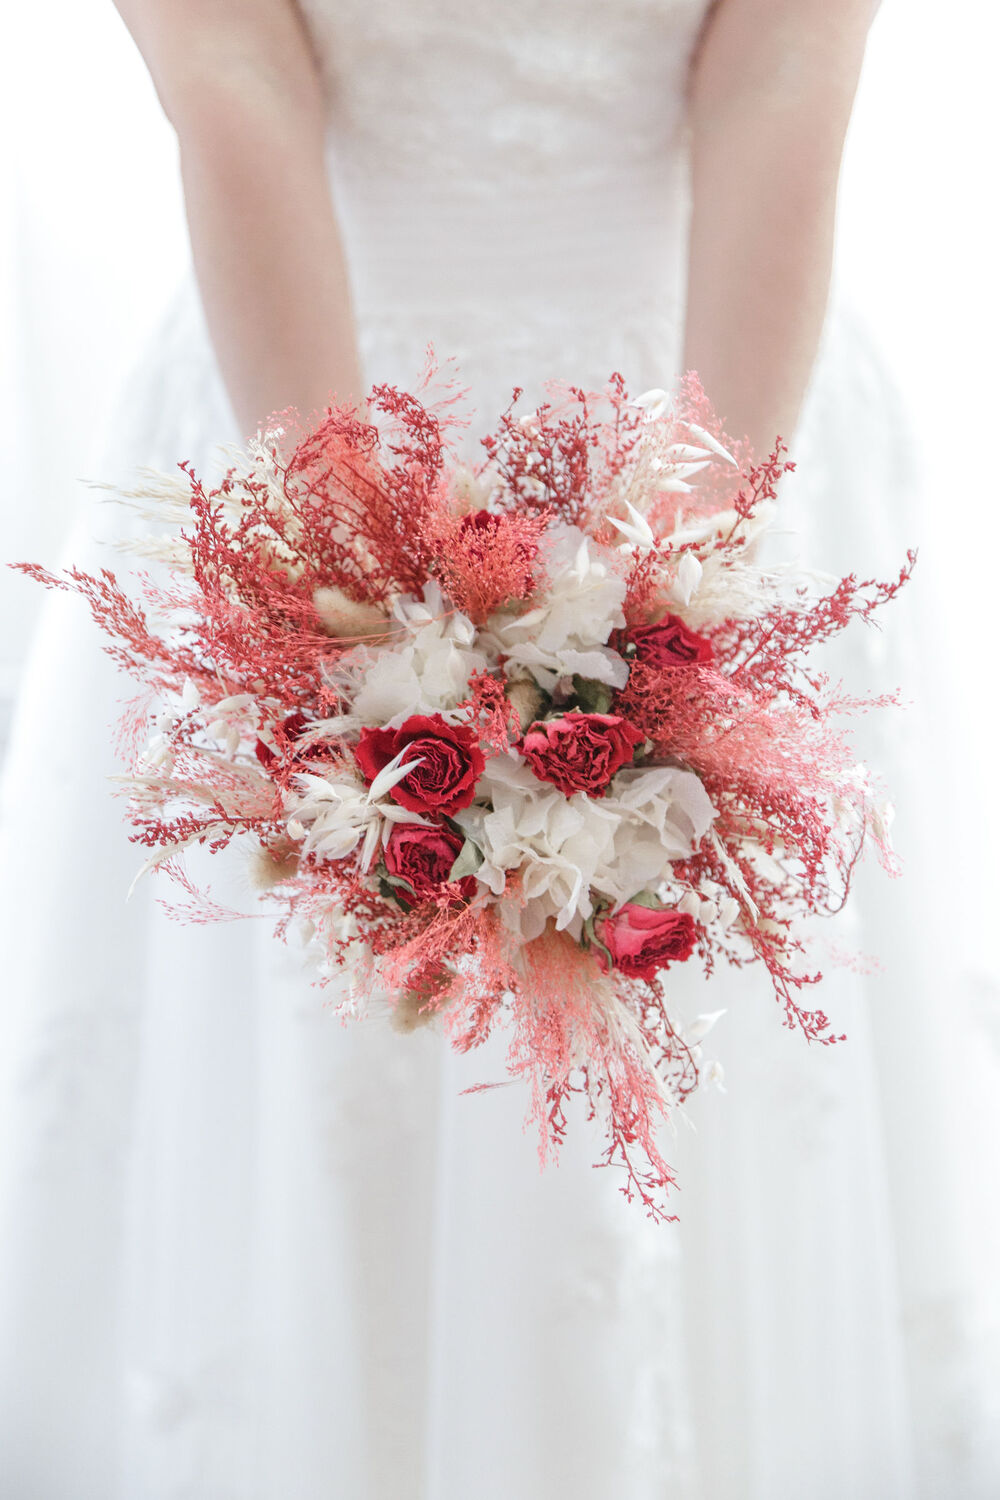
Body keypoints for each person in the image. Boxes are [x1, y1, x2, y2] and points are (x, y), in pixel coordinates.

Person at [1, 1, 998, 1496]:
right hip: (298, 381)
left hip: (718, 377)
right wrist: (351, 571)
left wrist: (678, 590)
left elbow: (783, 72)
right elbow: (237, 80)